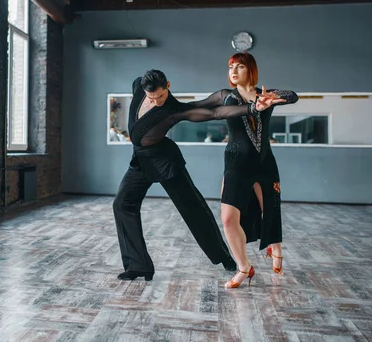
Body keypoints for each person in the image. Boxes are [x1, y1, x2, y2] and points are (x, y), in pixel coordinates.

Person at [113, 69, 278, 281]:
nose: (156, 102)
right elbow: (143, 92)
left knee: (193, 209)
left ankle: (224, 256)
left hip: (166, 162)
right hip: (140, 161)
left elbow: (215, 112)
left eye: (160, 96)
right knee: (121, 204)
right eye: (152, 97)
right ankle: (139, 266)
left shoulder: (173, 109)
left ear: (168, 86)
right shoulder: (139, 86)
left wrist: (251, 107)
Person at [188, 53, 298, 288]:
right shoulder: (227, 96)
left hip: (265, 162)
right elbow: (197, 107)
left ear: (251, 70)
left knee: (270, 209)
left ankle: (276, 248)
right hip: (236, 163)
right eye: (230, 67)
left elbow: (293, 96)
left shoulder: (264, 94)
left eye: (239, 66)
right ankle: (244, 267)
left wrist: (273, 97)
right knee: (228, 219)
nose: (233, 71)